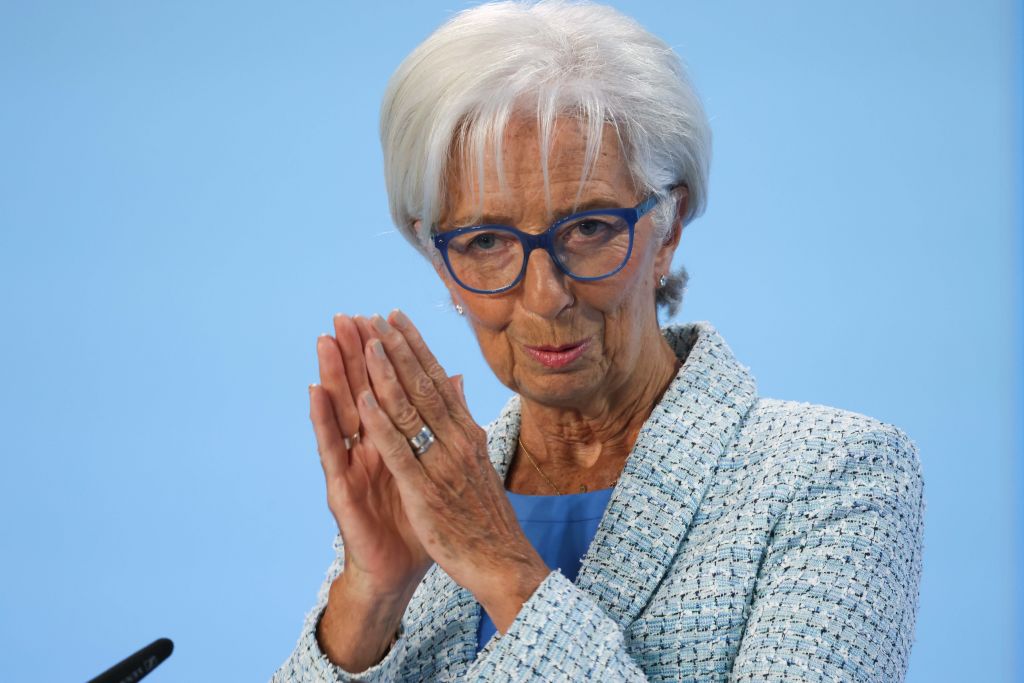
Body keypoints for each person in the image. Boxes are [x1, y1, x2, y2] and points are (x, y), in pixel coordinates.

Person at [272, 1, 925, 681]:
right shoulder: (434, 496)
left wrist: (505, 568)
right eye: (487, 241)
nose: (545, 295)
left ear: (666, 228)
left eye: (587, 228)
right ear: (442, 264)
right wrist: (369, 594)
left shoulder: (834, 475)